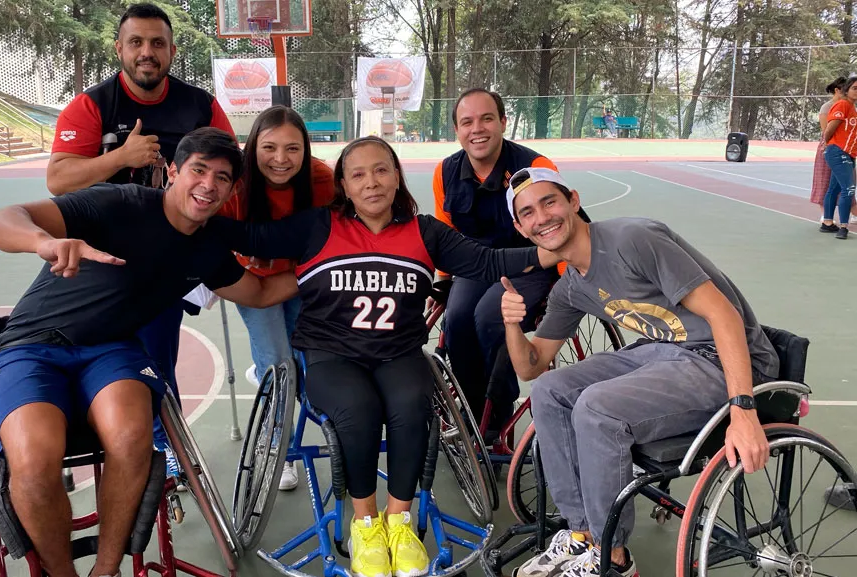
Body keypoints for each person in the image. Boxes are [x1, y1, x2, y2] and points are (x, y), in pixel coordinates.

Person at [211, 136, 556, 577]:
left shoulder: (425, 231)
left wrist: (556, 250)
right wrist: (179, 218)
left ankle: (399, 521)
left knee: (413, 406)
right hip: (331, 355)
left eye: (380, 170)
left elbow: (487, 261)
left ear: (396, 176)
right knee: (359, 410)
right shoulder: (317, 227)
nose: (371, 182)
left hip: (398, 352)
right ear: (344, 186)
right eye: (358, 174)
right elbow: (246, 234)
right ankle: (365, 523)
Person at [0, 128, 297, 577]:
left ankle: (106, 569)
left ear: (231, 190)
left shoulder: (208, 248)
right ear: (173, 172)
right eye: (198, 170)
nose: (208, 185)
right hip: (31, 346)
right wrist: (45, 243)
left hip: (111, 351)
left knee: (132, 440)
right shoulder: (117, 204)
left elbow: (261, 292)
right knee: (32, 461)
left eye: (222, 178)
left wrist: (329, 267)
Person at [500, 167, 779, 577]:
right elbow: (532, 366)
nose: (541, 217)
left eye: (549, 202)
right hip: (665, 352)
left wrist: (743, 410)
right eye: (528, 213)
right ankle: (582, 535)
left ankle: (612, 558)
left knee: (597, 408)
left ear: (573, 201)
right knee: (550, 391)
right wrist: (510, 323)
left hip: (720, 358)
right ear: (521, 228)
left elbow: (725, 314)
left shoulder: (632, 240)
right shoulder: (572, 286)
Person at [45, 2, 237, 482]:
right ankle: (62, 428)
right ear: (120, 49)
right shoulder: (93, 105)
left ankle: (159, 442)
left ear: (172, 50)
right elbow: (59, 179)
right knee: (79, 346)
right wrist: (122, 157)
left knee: (154, 357)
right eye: (137, 43)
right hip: (98, 256)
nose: (147, 52)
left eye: (157, 43)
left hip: (165, 258)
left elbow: (231, 169)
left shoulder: (199, 106)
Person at [432, 88, 583, 436]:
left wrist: (567, 283)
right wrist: (442, 278)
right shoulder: (446, 172)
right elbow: (446, 231)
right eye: (466, 122)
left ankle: (497, 409)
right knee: (456, 320)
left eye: (486, 119)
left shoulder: (537, 167)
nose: (477, 129)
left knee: (491, 315)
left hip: (532, 264)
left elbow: (562, 226)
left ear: (502, 122)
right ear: (457, 130)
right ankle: (472, 411)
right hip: (477, 266)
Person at [217, 105, 336, 491]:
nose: (281, 159)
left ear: (306, 151)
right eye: (269, 147)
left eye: (293, 149)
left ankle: (270, 371)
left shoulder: (321, 180)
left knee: (311, 357)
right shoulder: (235, 184)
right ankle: (280, 450)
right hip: (256, 282)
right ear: (252, 147)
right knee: (278, 363)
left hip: (301, 277)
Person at [819, 75, 857, 239]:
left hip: (847, 153)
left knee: (834, 188)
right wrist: (827, 145)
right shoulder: (842, 104)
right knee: (848, 189)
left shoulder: (851, 107)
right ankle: (843, 227)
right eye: (855, 88)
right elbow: (830, 128)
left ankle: (827, 223)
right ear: (846, 90)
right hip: (839, 152)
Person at [810, 77, 846, 212]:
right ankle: (825, 216)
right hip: (829, 148)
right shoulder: (826, 107)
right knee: (824, 182)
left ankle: (853, 214)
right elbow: (826, 132)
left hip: (845, 149)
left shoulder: (849, 107)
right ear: (837, 90)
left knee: (847, 183)